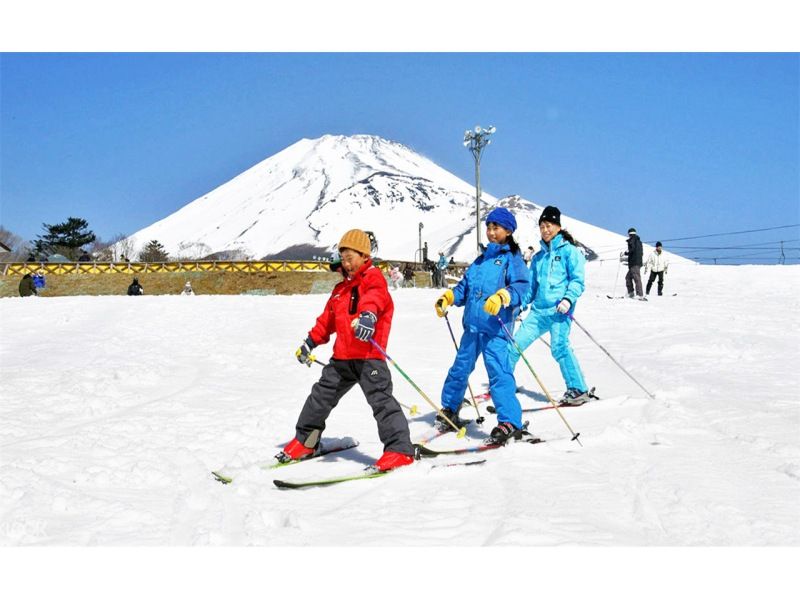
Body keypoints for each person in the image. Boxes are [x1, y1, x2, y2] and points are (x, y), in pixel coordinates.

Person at [280, 229, 415, 472]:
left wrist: (368, 317)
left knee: (382, 403)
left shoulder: (373, 278)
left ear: (364, 255)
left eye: (350, 258)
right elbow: (326, 321)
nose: (346, 264)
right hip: (341, 358)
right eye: (342, 259)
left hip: (368, 358)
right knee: (320, 397)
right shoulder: (340, 290)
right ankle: (306, 440)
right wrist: (309, 343)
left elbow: (375, 298)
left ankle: (399, 449)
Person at [434, 207, 532, 445]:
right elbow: (464, 288)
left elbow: (522, 287)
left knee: (499, 373)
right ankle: (450, 408)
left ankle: (510, 421)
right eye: (488, 226)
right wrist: (449, 297)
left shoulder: (512, 259)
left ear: (508, 231)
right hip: (473, 328)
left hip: (496, 329)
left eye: (495, 227)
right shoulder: (480, 260)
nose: (490, 231)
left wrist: (503, 297)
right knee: (460, 368)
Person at [511, 206, 592, 406]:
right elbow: (531, 287)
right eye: (542, 226)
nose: (545, 230)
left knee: (559, 347)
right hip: (538, 312)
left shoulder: (570, 252)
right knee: (514, 345)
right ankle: (504, 384)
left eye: (549, 225)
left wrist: (568, 299)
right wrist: (520, 305)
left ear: (557, 226)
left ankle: (578, 389)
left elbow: (577, 280)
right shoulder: (538, 258)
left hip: (559, 311)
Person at [623, 227, 644, 299]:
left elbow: (632, 249)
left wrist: (626, 253)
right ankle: (631, 293)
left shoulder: (632, 240)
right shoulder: (639, 241)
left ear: (629, 234)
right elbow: (637, 252)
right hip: (636, 262)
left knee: (636, 278)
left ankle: (639, 294)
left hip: (634, 263)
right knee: (628, 277)